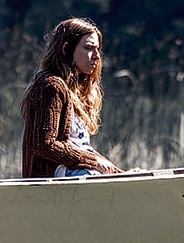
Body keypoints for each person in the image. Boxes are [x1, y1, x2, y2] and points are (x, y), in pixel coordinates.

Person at [20, 18, 120, 178]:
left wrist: (120, 173)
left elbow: (82, 147)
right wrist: (93, 162)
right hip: (53, 183)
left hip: (78, 176)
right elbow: (44, 145)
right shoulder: (51, 86)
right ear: (66, 48)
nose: (96, 56)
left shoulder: (75, 91)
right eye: (88, 48)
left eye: (98, 50)